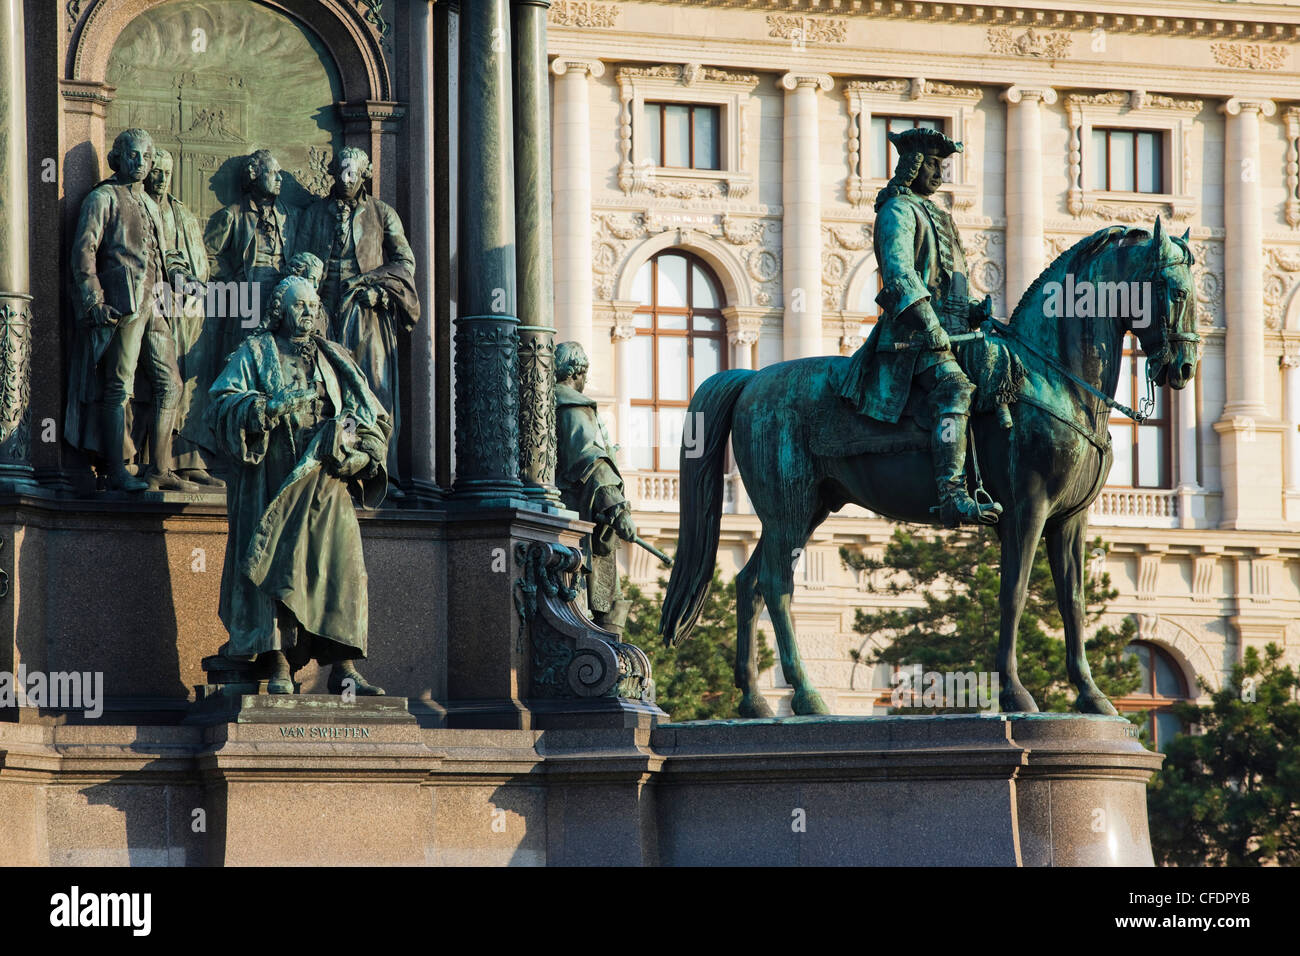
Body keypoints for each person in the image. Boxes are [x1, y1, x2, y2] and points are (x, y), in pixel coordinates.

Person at [206, 275, 390, 695]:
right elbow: (220, 405)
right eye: (298, 305)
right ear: (279, 311)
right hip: (272, 478)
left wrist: (362, 454)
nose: (308, 313)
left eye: (312, 305)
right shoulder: (255, 352)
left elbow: (370, 417)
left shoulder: (335, 357)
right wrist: (265, 408)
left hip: (326, 478)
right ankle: (276, 662)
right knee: (274, 567)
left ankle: (343, 667)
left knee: (341, 569)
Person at [834, 127, 1003, 527]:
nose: (939, 173)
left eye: (942, 165)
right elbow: (899, 276)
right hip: (910, 341)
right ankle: (952, 494)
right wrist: (931, 326)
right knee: (955, 389)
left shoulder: (938, 215)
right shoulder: (896, 210)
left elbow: (943, 281)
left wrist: (975, 311)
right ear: (911, 165)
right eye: (931, 163)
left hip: (952, 335)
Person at [66, 127, 199, 492]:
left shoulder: (154, 205)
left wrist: (183, 279)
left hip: (155, 303)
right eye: (133, 155)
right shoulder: (104, 198)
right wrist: (94, 301)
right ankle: (115, 469)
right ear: (118, 158)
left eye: (146, 156)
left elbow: (166, 254)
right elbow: (84, 252)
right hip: (123, 304)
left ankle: (159, 467)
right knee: (118, 386)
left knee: (170, 384)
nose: (140, 162)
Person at [292, 147, 419, 498]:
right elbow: (297, 259)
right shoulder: (314, 214)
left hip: (367, 314)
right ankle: (339, 459)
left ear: (365, 173)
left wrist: (379, 294)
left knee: (372, 389)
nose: (345, 179)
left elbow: (404, 262)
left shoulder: (382, 213)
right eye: (341, 172)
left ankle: (377, 467)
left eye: (352, 173)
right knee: (334, 391)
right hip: (322, 313)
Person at [145, 146, 224, 488]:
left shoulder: (180, 213)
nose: (162, 178)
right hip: (151, 307)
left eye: (167, 172)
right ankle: (146, 462)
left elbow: (183, 258)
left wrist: (191, 281)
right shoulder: (141, 207)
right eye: (156, 171)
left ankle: (188, 459)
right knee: (160, 385)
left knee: (193, 380)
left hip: (184, 309)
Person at [554, 341, 636, 633]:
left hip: (570, 519)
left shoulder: (554, 403)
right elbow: (591, 460)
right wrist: (617, 509)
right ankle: (611, 665)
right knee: (600, 608)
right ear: (577, 372)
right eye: (584, 374)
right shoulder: (574, 407)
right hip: (577, 525)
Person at [204, 148, 294, 360]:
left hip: (284, 294)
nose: (280, 178)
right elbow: (208, 256)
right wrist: (233, 279)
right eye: (273, 173)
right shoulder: (232, 215)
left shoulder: (289, 215)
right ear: (255, 174)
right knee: (247, 356)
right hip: (248, 295)